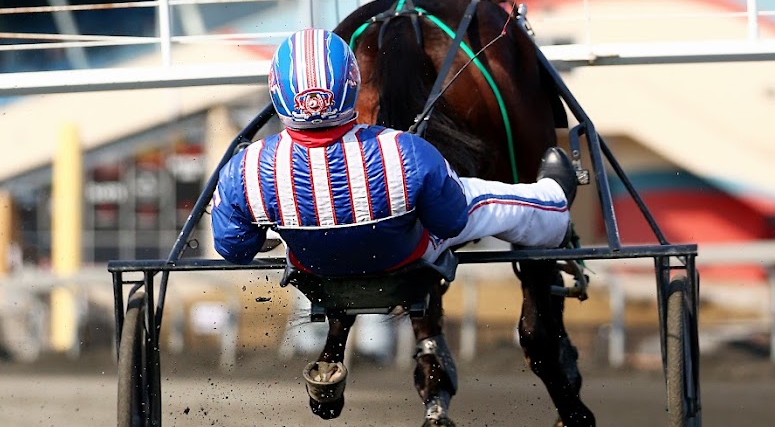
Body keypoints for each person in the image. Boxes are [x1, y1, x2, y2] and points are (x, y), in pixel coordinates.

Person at [211, 28, 578, 278]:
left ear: (277, 89)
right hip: (402, 257)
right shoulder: (407, 151)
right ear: (351, 82)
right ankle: (555, 202)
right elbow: (451, 222)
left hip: (315, 267)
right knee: (481, 200)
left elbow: (234, 248)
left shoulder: (244, 169)